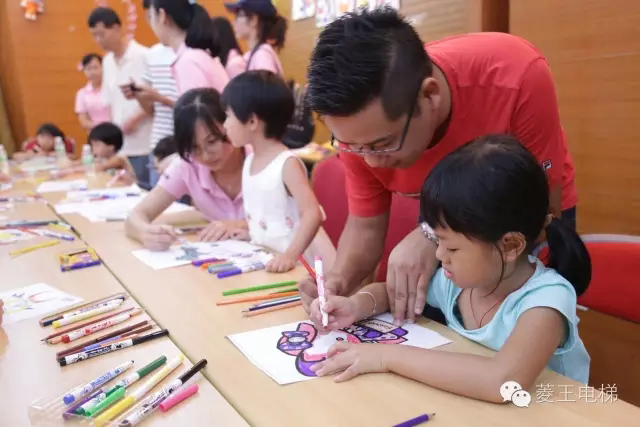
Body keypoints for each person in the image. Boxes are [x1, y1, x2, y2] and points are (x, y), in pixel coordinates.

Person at [299, 8, 579, 326]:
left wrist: (431, 233)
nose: (371, 161)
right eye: (351, 146)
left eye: (383, 144)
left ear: (430, 95)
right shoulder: (360, 128)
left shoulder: (515, 76)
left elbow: (540, 210)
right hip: (448, 221)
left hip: (522, 214)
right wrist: (338, 281)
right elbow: (366, 225)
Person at [308, 135, 591, 401]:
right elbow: (391, 293)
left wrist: (384, 356)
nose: (439, 254)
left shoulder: (546, 301)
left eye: (451, 247)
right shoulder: (460, 282)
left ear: (510, 245)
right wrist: (355, 306)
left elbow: (502, 382)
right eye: (437, 241)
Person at [221, 70, 333, 272]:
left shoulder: (286, 164)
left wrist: (290, 255)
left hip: (302, 265)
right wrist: (255, 234)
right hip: (273, 260)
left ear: (252, 122)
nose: (224, 125)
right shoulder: (250, 160)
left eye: (228, 116)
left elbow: (312, 213)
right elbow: (270, 215)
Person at [125, 88, 246, 250]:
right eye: (194, 148)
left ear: (230, 123)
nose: (206, 156)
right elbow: (135, 217)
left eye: (212, 141)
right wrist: (146, 233)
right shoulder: (187, 165)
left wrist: (240, 225)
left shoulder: (261, 156)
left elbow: (282, 222)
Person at [88, 7, 152, 189]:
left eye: (101, 34)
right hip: (122, 147)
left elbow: (155, 96)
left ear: (117, 28)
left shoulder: (144, 56)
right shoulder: (107, 62)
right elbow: (110, 102)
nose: (98, 40)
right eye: (94, 36)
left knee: (146, 191)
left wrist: (135, 119)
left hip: (145, 142)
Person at [225, 0, 286, 75]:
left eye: (238, 16)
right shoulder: (259, 53)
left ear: (253, 20)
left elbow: (265, 82)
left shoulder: (262, 56)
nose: (233, 22)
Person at [75, 53, 111, 131]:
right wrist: (102, 129)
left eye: (96, 68)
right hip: (95, 133)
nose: (93, 72)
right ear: (84, 71)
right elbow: (84, 121)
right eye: (88, 69)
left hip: (116, 131)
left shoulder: (112, 88)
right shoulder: (82, 93)